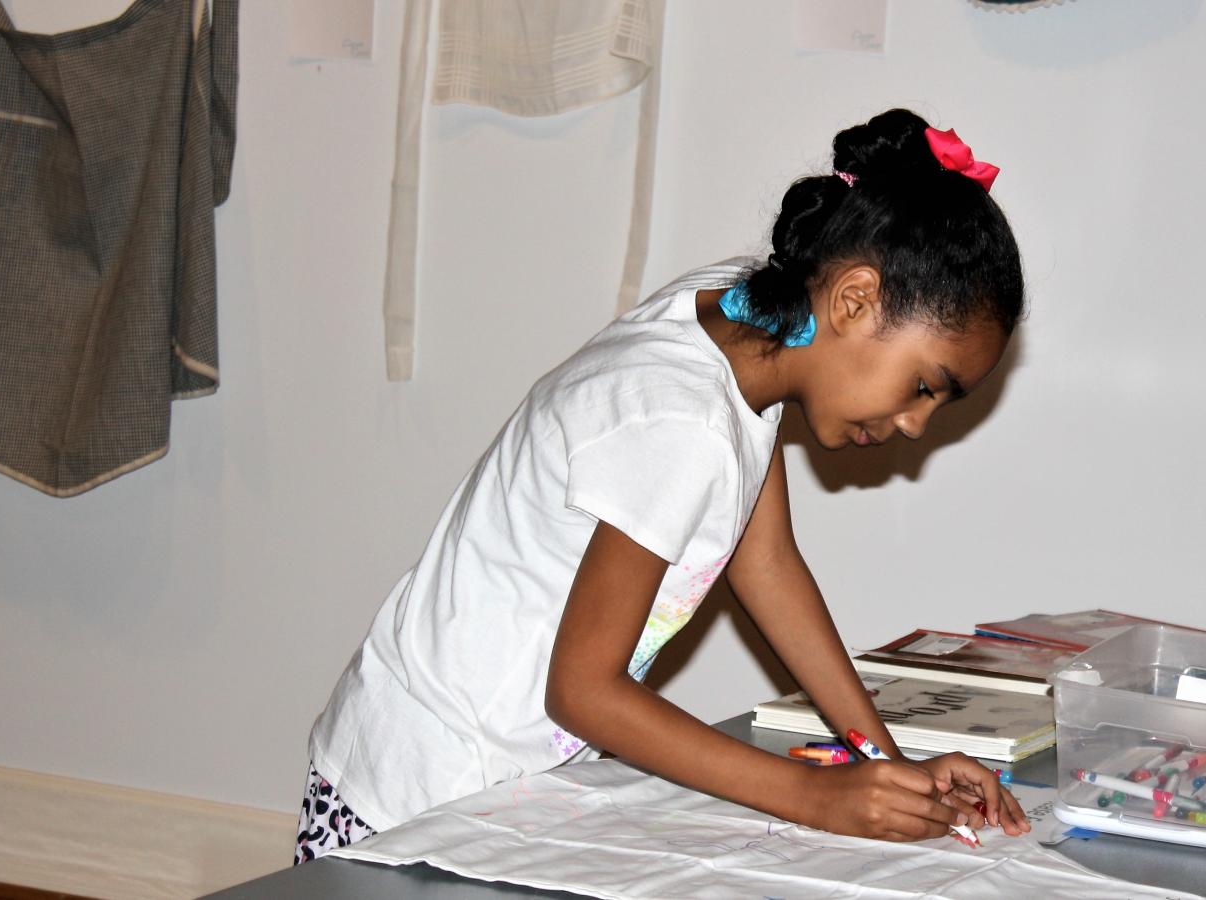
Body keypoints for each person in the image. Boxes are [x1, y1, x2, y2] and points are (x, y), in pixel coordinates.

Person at [296, 108, 1031, 864]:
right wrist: (816, 796)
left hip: (500, 785)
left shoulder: (744, 323)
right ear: (853, 299)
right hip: (412, 796)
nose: (916, 423)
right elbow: (583, 692)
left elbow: (765, 558)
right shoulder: (681, 422)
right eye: (923, 386)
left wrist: (884, 766)